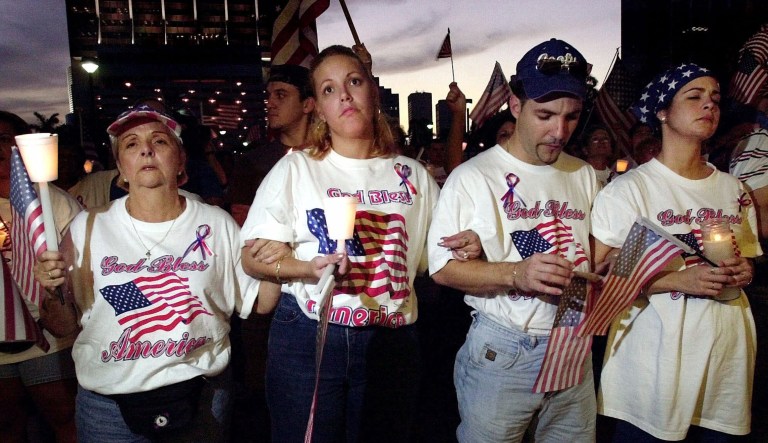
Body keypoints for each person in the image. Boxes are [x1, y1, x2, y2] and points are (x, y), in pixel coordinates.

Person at [239, 44, 448, 442]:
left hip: (390, 338)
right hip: (308, 333)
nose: (345, 95)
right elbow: (252, 260)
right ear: (317, 106)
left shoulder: (413, 175)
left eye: (354, 81)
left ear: (372, 90)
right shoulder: (298, 168)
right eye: (330, 89)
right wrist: (304, 267)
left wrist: (466, 245)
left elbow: (432, 259)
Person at [33, 105, 265, 442]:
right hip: (108, 409)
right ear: (121, 169)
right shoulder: (87, 227)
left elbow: (256, 302)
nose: (146, 149)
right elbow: (63, 325)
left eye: (160, 141)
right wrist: (51, 290)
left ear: (181, 161)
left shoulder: (215, 223)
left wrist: (276, 260)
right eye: (131, 144)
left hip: (201, 397)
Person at [428, 38, 599, 442]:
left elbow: (595, 255)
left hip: (574, 344)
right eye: (545, 114)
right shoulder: (473, 177)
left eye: (572, 117)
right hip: (505, 352)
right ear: (516, 106)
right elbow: (442, 269)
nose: (560, 131)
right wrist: (517, 273)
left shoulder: (584, 174)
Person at [592, 63, 758, 441]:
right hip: (656, 364)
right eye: (694, 97)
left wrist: (744, 271)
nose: (709, 106)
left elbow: (747, 256)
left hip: (725, 361)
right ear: (663, 111)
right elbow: (605, 271)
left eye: (714, 98)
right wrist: (678, 279)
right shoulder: (631, 190)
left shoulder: (732, 188)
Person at [0, 110, 81, 443]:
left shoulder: (52, 204)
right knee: (7, 427)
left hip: (49, 338)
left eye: (4, 139)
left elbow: (82, 275)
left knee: (65, 421)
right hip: (1, 344)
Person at [229, 64, 316, 225]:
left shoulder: (332, 156)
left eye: (281, 95)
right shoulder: (251, 163)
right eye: (269, 96)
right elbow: (243, 227)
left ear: (307, 104)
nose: (270, 103)